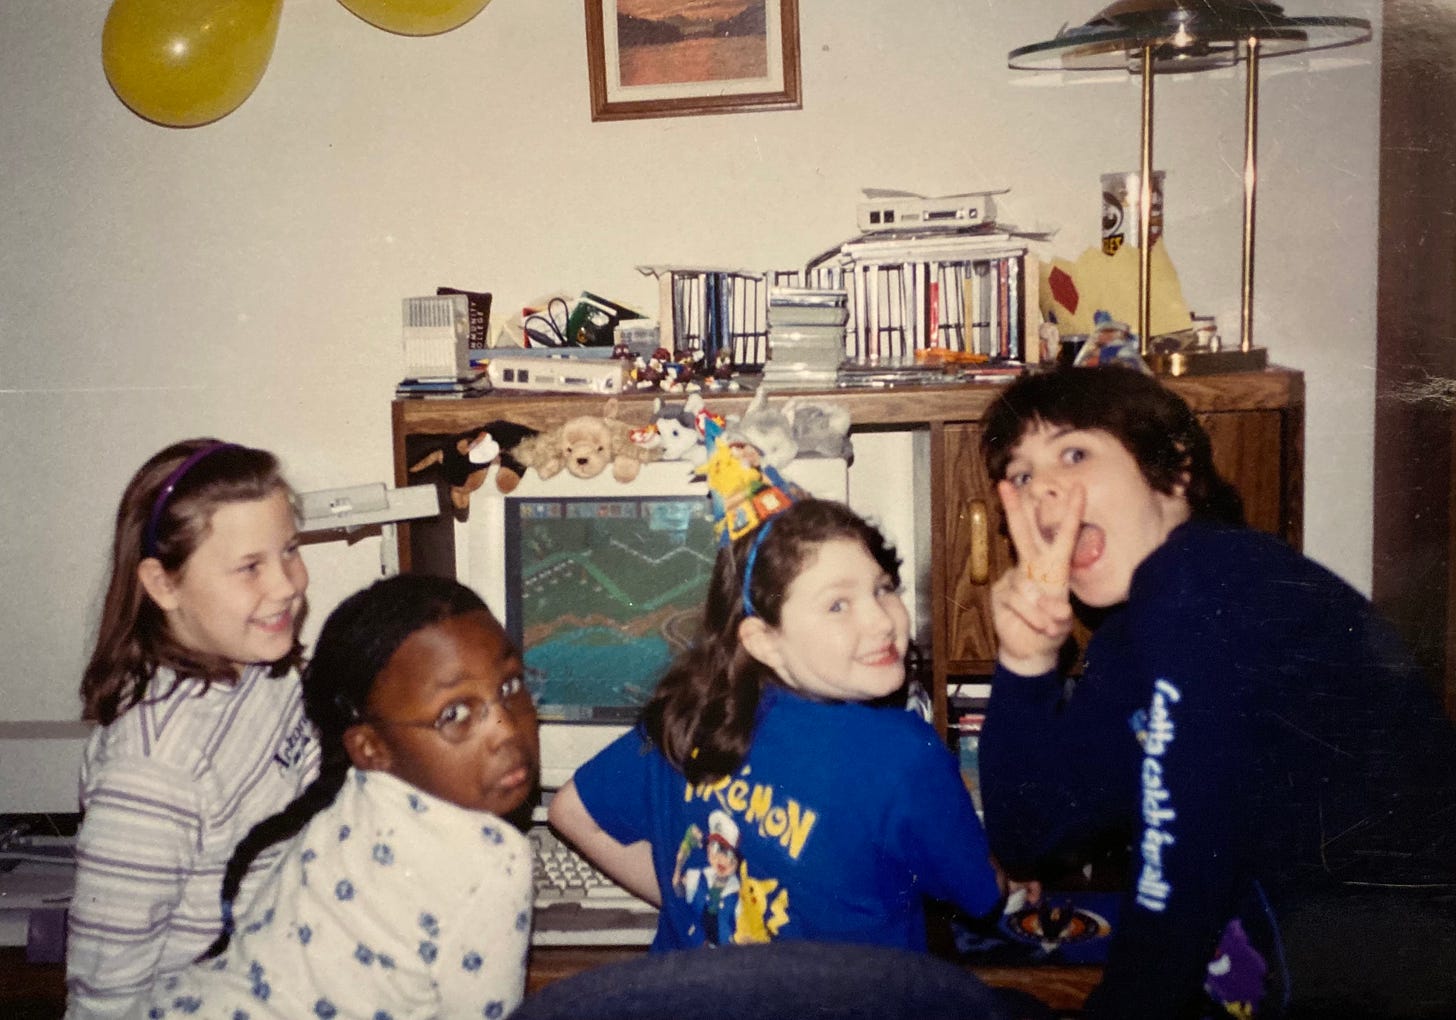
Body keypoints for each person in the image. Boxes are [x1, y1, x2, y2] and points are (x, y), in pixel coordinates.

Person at [977, 366, 1456, 1019]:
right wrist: (1025, 660)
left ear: (1173, 469)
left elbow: (1178, 884)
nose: (1042, 492)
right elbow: (1036, 835)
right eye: (1022, 474)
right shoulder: (1134, 636)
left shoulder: (1208, 579)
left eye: (1074, 452)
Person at [549, 494, 1003, 953]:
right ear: (763, 641)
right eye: (837, 605)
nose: (880, 621)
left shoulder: (690, 714)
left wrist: (689, 905)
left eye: (883, 588)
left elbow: (570, 811)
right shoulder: (904, 754)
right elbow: (982, 895)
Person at [135, 573, 539, 1020]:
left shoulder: (357, 794)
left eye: (509, 687)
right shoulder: (496, 862)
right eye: (455, 714)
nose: (507, 731)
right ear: (371, 748)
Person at [67, 439, 319, 1020]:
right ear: (163, 585)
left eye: (290, 551)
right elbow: (104, 994)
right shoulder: (153, 771)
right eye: (250, 567)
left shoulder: (263, 667)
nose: (285, 585)